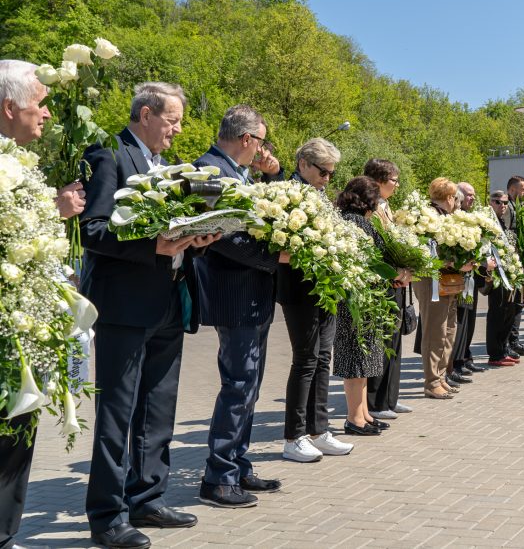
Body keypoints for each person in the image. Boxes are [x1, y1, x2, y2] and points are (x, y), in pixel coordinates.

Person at [81, 83, 221, 548]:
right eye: (173, 120)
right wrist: (153, 246)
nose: (178, 130)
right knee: (117, 412)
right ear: (145, 114)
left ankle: (147, 497)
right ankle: (107, 516)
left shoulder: (169, 167)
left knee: (158, 408)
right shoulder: (110, 155)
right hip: (124, 306)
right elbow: (94, 231)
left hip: (169, 300)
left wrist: (198, 239)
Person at [0, 59, 86, 549]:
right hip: (8, 329)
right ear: (10, 107)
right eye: (40, 104)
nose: (48, 115)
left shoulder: (21, 164)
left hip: (26, 329)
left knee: (17, 440)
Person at [194, 105, 284, 508]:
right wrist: (274, 258)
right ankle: (218, 477)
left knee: (250, 385)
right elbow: (222, 236)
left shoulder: (241, 172)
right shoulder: (209, 171)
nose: (262, 149)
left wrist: (273, 176)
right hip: (233, 293)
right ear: (247, 139)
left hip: (255, 294)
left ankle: (237, 464)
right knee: (238, 384)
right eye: (260, 141)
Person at [278, 138, 354, 462]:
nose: (327, 178)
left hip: (326, 287)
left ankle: (318, 430)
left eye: (331, 174)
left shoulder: (322, 196)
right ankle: (293, 436)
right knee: (306, 359)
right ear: (303, 165)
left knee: (323, 358)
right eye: (323, 172)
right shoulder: (286, 193)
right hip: (298, 288)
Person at [334, 176, 411, 435]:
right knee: (357, 359)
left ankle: (364, 414)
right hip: (357, 300)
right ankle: (354, 418)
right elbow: (371, 260)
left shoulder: (356, 220)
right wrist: (395, 273)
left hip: (365, 298)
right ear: (365, 199)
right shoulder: (354, 222)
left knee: (365, 359)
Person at [364, 159, 415, 420]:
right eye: (393, 180)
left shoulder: (385, 205)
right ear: (379, 181)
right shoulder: (369, 208)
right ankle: (375, 402)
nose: (396, 185)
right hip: (381, 281)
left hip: (395, 280)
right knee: (381, 341)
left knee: (394, 340)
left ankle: (390, 398)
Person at [414, 177, 471, 399]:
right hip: (432, 280)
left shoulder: (446, 217)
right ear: (449, 197)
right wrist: (456, 262)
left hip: (448, 280)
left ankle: (440, 377)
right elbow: (428, 253)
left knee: (449, 329)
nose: (456, 202)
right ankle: (431, 382)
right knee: (435, 331)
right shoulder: (427, 218)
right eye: (455, 198)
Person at [450, 181, 485, 383]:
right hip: (457, 276)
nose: (471, 198)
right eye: (468, 195)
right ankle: (455, 361)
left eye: (473, 195)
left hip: (471, 274)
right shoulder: (455, 217)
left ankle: (465, 355)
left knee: (470, 319)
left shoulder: (472, 217)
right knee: (460, 320)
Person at [501, 176, 524, 358]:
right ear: (512, 190)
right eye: (523, 190)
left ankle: (514, 341)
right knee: (511, 305)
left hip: (520, 262)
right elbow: (506, 236)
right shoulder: (508, 208)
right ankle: (509, 342)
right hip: (511, 264)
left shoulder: (520, 208)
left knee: (519, 304)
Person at [484, 190, 519, 366]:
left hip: (507, 274)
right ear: (490, 202)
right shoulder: (487, 222)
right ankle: (495, 353)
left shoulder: (503, 222)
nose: (502, 205)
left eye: (505, 202)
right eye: (498, 202)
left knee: (508, 312)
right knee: (497, 313)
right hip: (496, 275)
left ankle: (503, 348)